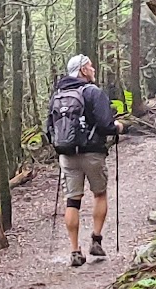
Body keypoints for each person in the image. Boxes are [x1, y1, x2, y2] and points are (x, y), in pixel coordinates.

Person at [45, 53, 124, 267]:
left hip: (67, 155)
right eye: (90, 66)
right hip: (93, 153)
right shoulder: (92, 92)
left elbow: (49, 129)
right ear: (82, 70)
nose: (94, 69)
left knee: (73, 201)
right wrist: (118, 127)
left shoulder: (58, 95)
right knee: (100, 194)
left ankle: (74, 250)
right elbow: (106, 125)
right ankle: (96, 240)